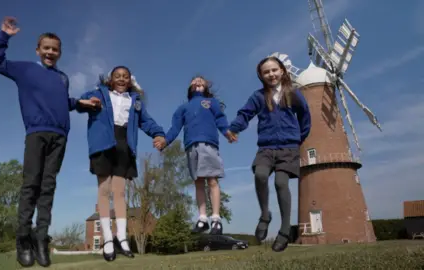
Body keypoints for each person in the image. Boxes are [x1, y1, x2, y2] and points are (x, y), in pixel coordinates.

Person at [0, 16, 100, 267]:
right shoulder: (26, 69)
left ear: (59, 53)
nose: (50, 52)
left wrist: (81, 103)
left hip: (59, 137)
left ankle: (41, 239)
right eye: (46, 48)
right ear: (38, 50)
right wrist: (4, 36)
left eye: (55, 49)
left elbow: (64, 102)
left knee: (48, 188)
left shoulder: (62, 78)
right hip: (36, 133)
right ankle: (23, 239)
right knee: (31, 185)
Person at [77, 66, 165, 261]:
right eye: (117, 76)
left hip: (124, 143)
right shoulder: (99, 92)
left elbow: (146, 121)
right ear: (110, 79)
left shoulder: (135, 101)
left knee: (120, 191)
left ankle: (122, 237)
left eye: (125, 76)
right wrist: (88, 103)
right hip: (103, 142)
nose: (121, 79)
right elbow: (81, 102)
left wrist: (159, 133)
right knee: (104, 189)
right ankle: (107, 239)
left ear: (130, 80)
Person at [228, 56, 311, 252]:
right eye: (266, 72)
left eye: (274, 70)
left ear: (282, 71)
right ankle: (265, 215)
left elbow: (305, 115)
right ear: (261, 76)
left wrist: (299, 137)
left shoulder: (293, 93)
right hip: (266, 147)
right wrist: (235, 128)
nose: (271, 74)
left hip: (288, 147)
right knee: (260, 174)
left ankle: (284, 231)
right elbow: (245, 113)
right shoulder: (258, 97)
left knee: (281, 183)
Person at [154, 76, 236, 235]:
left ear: (206, 87)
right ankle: (202, 218)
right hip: (191, 147)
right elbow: (174, 128)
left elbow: (220, 120)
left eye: (201, 81)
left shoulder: (212, 103)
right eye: (194, 81)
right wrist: (165, 141)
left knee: (212, 180)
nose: (198, 82)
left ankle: (216, 219)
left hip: (208, 144)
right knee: (198, 182)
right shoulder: (183, 108)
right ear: (189, 87)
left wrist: (227, 132)